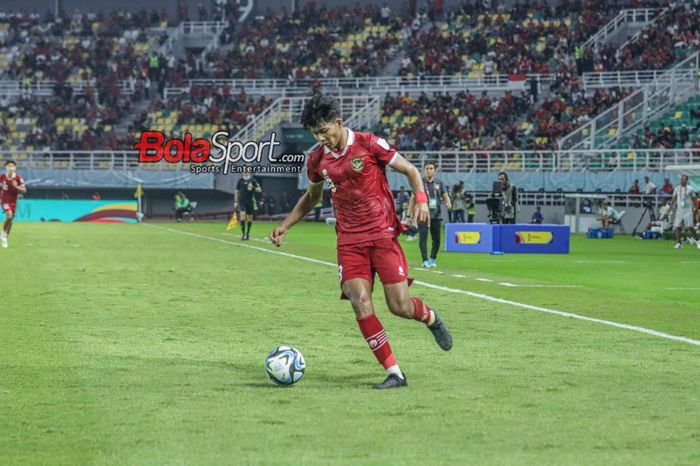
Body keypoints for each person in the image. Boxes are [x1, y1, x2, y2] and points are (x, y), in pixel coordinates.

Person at [268, 94, 452, 390]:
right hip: (349, 242)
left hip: (382, 236)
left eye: (324, 131)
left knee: (399, 307)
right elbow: (311, 198)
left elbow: (411, 170)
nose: (321, 138)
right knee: (360, 302)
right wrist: (285, 226)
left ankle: (430, 318)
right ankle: (395, 373)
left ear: (338, 123)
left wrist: (421, 199)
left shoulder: (368, 143)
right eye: (315, 133)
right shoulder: (317, 160)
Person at [408, 161, 451, 268]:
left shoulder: (440, 183)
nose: (429, 171)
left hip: (436, 215)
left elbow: (445, 195)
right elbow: (413, 198)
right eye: (427, 169)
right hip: (423, 216)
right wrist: (409, 214)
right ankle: (425, 260)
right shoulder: (420, 183)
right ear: (424, 171)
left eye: (431, 168)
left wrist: (448, 202)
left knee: (436, 239)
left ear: (435, 171)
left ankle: (433, 258)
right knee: (423, 238)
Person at [0, 160, 26, 248]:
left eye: (12, 166)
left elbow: (24, 190)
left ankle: (5, 237)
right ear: (6, 167)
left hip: (13, 201)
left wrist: (16, 187)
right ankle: (3, 233)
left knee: (10, 221)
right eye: (9, 166)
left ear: (15, 168)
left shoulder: (18, 178)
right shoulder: (2, 177)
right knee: (9, 216)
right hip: (4, 200)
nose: (10, 168)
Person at [671, 175, 699, 249]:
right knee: (678, 227)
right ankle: (679, 243)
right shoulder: (677, 188)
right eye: (681, 179)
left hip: (688, 210)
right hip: (679, 210)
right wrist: (671, 209)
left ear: (687, 180)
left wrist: (695, 209)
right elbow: (673, 199)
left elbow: (694, 199)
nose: (682, 181)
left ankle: (698, 240)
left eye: (684, 179)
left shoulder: (690, 189)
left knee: (690, 227)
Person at [235, 171, 262, 240]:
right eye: (244, 171)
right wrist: (235, 201)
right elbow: (236, 191)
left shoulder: (253, 180)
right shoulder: (240, 181)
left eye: (246, 171)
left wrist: (253, 187)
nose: (245, 172)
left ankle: (247, 233)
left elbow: (259, 190)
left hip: (250, 201)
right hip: (242, 201)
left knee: (249, 218)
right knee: (242, 216)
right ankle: (243, 234)